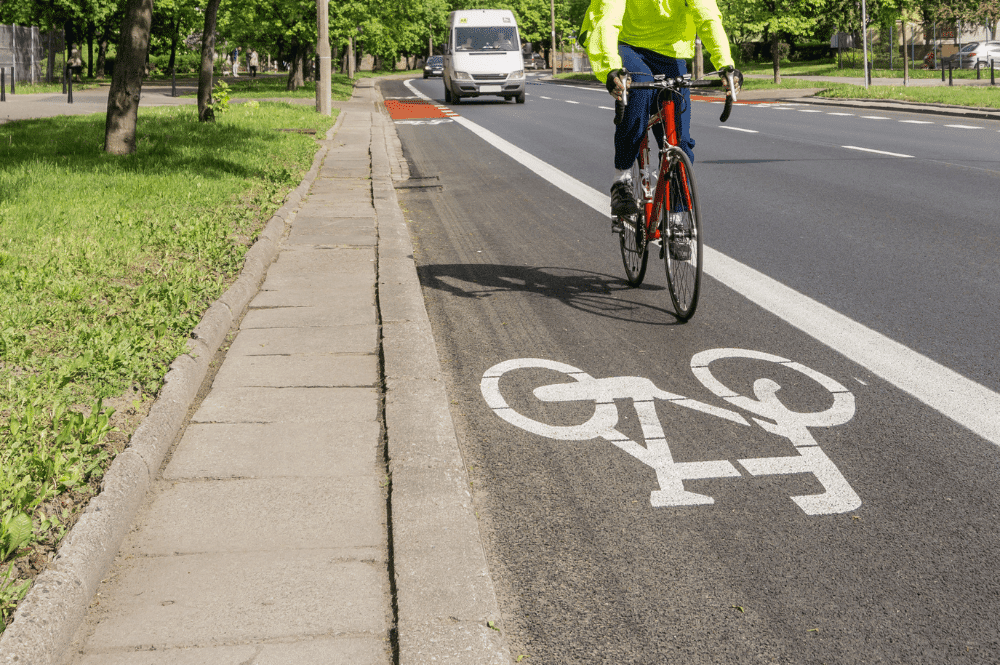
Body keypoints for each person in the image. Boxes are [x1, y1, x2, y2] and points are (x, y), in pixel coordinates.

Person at [579, 0, 740, 218]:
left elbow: (707, 14)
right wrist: (611, 67)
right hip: (627, 44)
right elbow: (608, 17)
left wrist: (726, 65)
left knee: (680, 140)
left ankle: (677, 219)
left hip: (671, 51)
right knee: (638, 92)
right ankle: (622, 180)